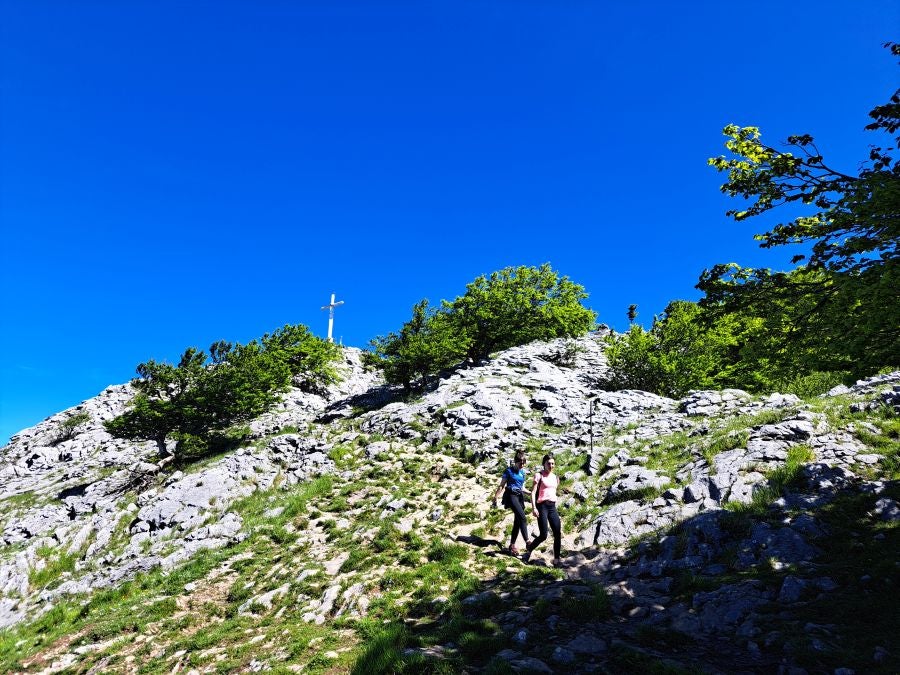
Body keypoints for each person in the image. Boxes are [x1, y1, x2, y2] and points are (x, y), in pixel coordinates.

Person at [523, 454, 562, 566]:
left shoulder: (555, 477)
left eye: (552, 463)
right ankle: (530, 548)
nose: (551, 465)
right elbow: (533, 492)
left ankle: (556, 559)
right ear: (544, 464)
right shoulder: (539, 475)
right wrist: (534, 507)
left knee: (557, 533)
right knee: (543, 535)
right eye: (548, 463)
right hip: (542, 506)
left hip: (552, 507)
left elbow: (553, 491)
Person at [492, 450, 531, 555]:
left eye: (524, 462)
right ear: (515, 461)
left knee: (518, 521)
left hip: (519, 496)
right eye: (520, 463)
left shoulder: (523, 473)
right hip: (510, 495)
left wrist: (531, 493)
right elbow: (502, 485)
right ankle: (528, 542)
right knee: (522, 517)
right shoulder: (508, 471)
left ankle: (512, 545)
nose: (522, 465)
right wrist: (495, 497)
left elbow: (522, 487)